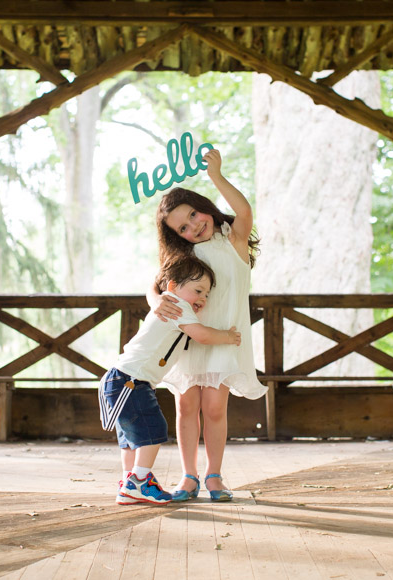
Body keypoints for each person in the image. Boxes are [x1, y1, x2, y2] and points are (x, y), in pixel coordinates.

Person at [149, 148, 266, 503]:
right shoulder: (183, 257)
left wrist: (216, 174)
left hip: (223, 340)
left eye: (194, 215)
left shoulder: (234, 240)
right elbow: (156, 287)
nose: (194, 227)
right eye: (183, 228)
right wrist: (156, 303)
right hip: (188, 341)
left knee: (215, 409)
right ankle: (188, 477)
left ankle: (214, 474)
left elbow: (244, 210)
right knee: (186, 408)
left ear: (204, 206)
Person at [100, 255, 241, 505]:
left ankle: (128, 484)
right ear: (173, 287)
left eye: (207, 295)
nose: (203, 299)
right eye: (198, 290)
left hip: (121, 381)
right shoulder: (176, 305)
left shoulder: (173, 305)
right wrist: (228, 337)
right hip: (131, 382)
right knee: (153, 431)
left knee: (131, 438)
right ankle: (140, 481)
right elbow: (201, 335)